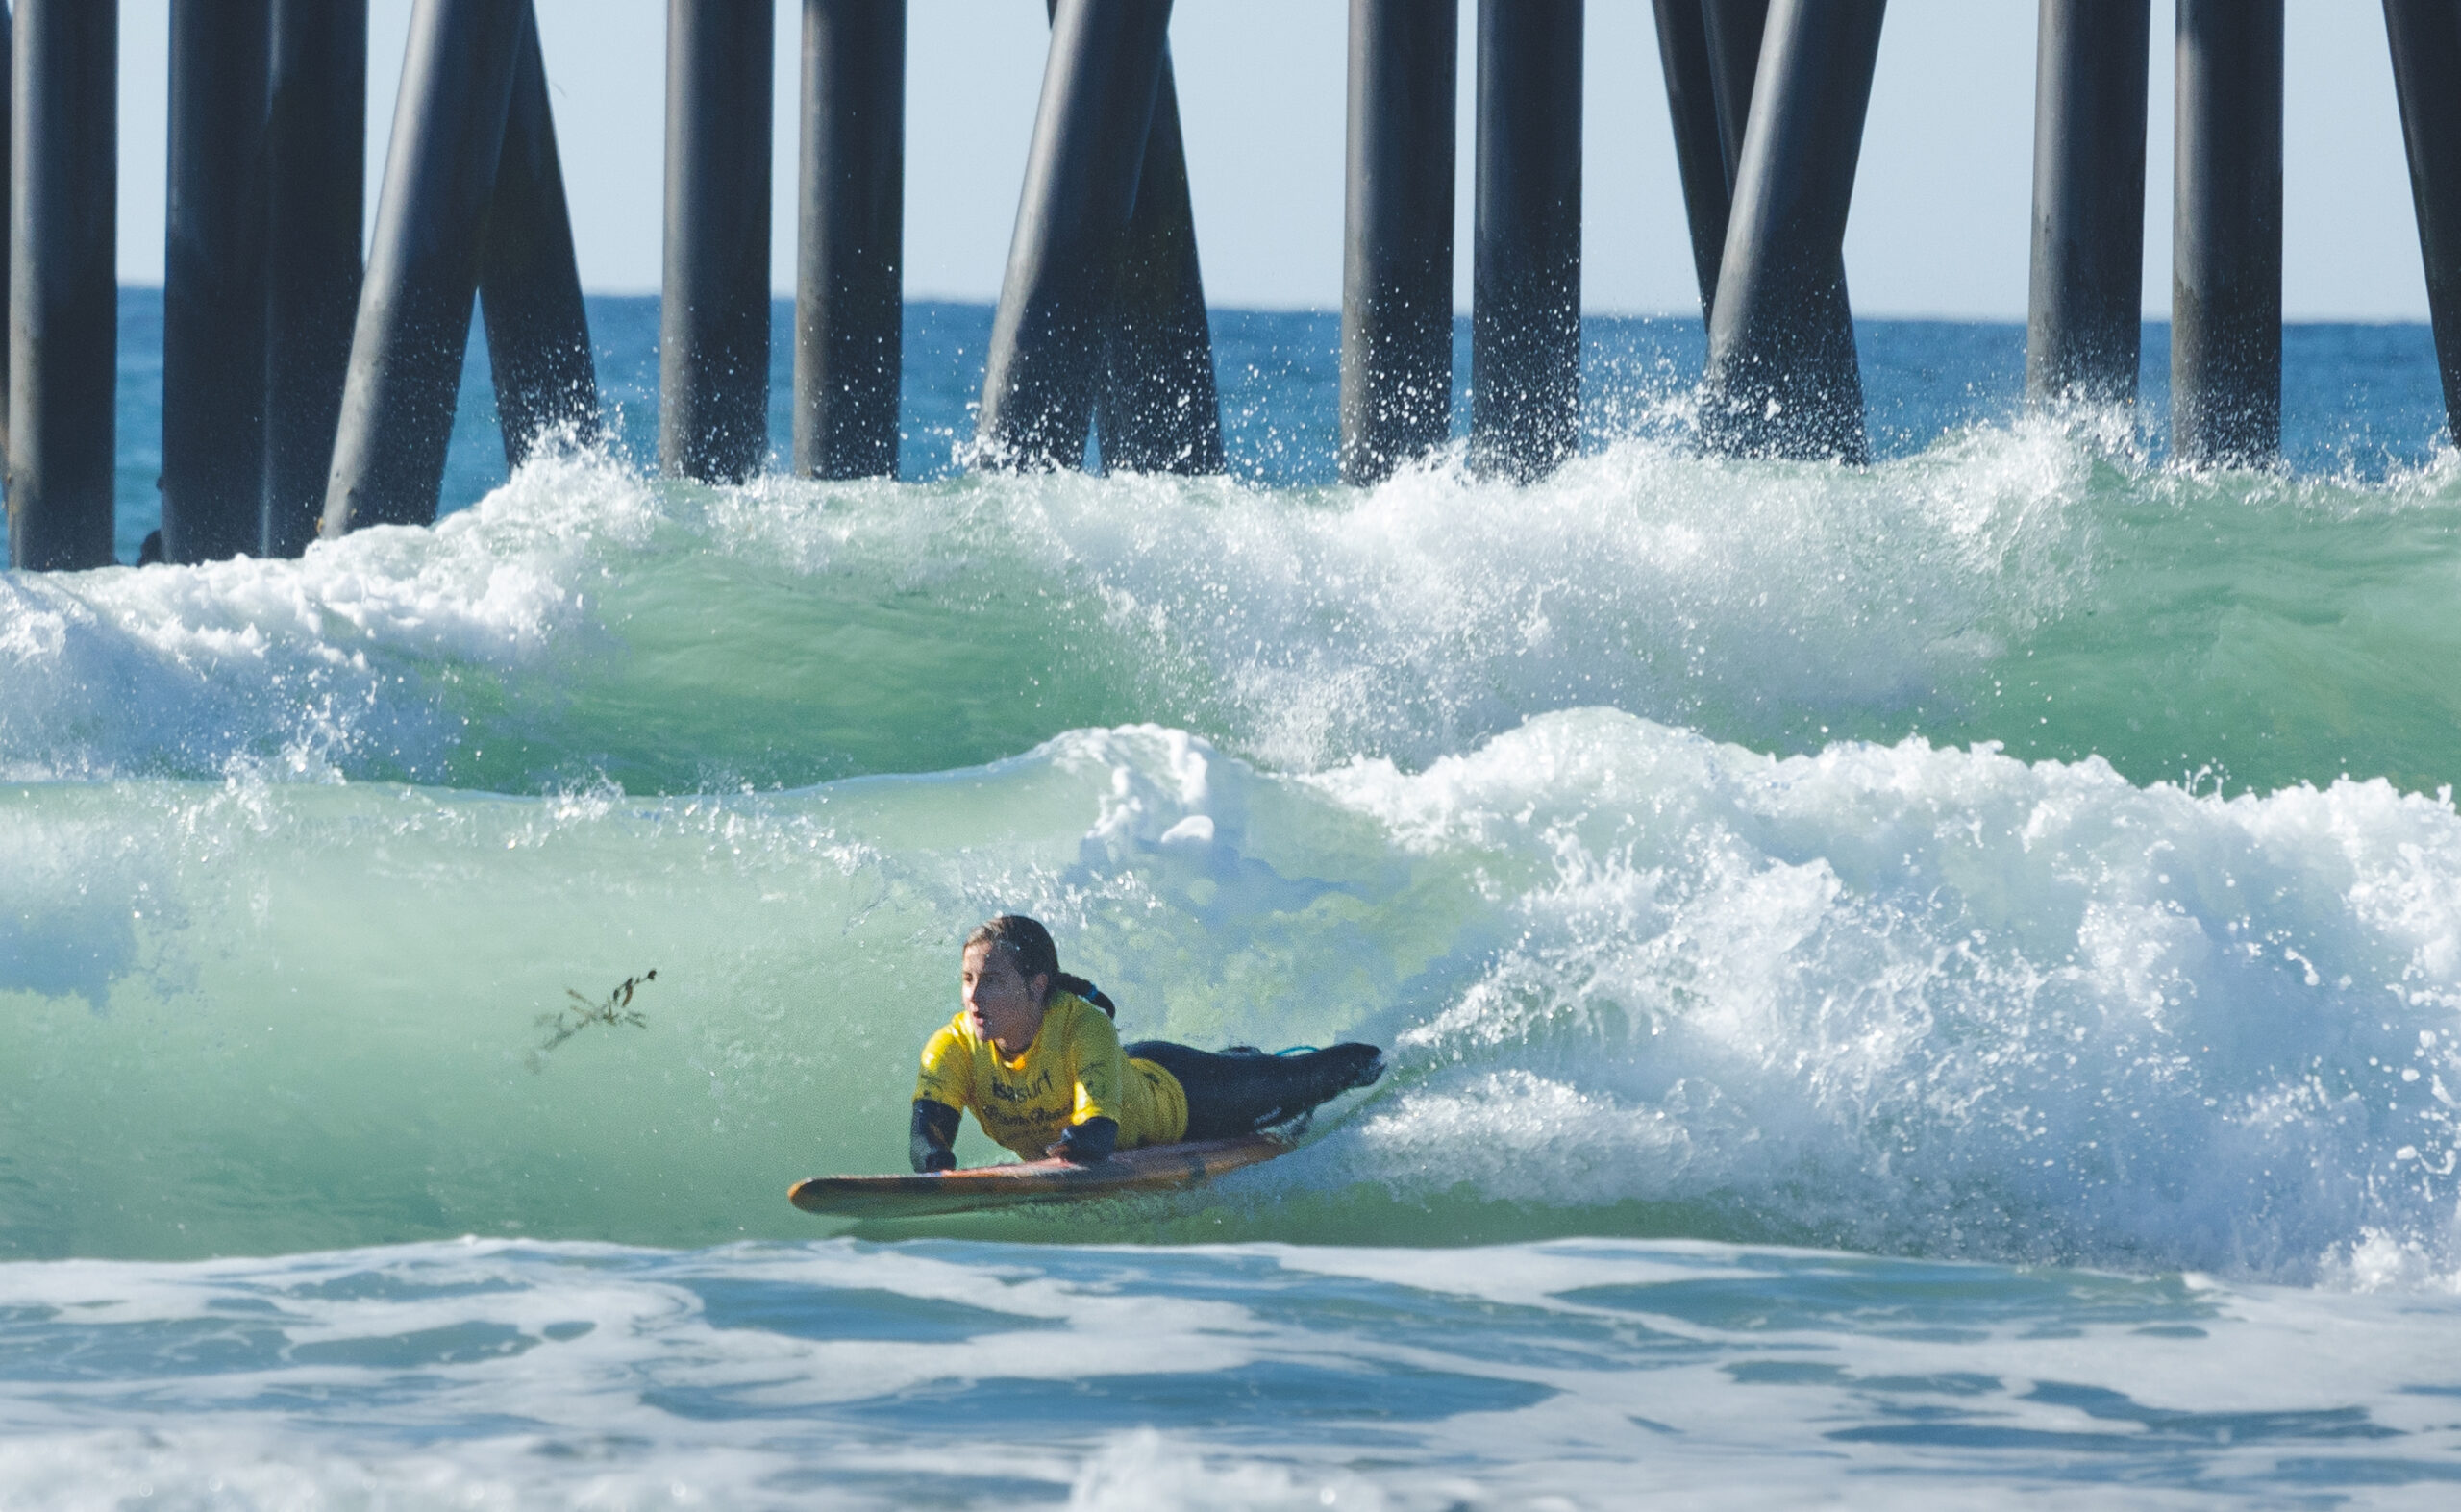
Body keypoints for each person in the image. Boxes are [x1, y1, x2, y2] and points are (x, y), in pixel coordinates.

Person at [909, 914, 1384, 1172]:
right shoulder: (951, 1048)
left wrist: (1079, 1144)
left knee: (1296, 1084)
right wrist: (935, 1165)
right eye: (968, 980)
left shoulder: (1082, 1026)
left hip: (1184, 1097)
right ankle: (1241, 1058)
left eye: (991, 981)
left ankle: (1389, 1057)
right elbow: (926, 1136)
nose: (974, 996)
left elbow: (1097, 1134)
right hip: (1127, 1077)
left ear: (1037, 985)